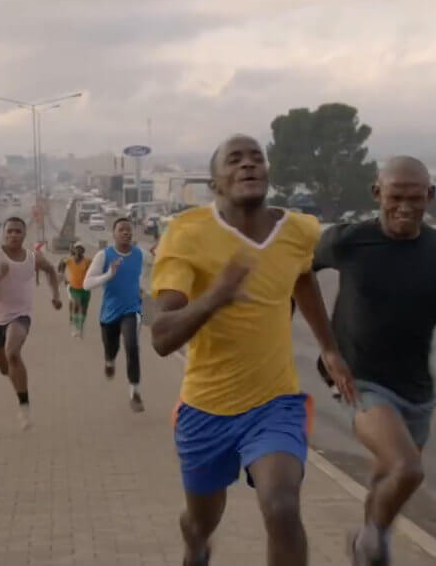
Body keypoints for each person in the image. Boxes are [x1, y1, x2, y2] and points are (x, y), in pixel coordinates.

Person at [149, 134, 356, 566]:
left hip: (274, 403)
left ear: (268, 172)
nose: (248, 165)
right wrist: (215, 296)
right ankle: (195, 543)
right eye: (235, 159)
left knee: (282, 507)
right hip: (205, 409)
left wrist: (330, 349)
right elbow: (161, 335)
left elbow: (303, 276)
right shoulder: (185, 233)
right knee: (200, 523)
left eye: (256, 158)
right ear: (215, 182)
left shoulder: (297, 230)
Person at [313, 156, 436, 566]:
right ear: (377, 193)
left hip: (417, 387)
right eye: (395, 196)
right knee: (407, 469)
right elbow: (295, 272)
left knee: (388, 474)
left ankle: (367, 544)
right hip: (359, 379)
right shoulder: (348, 241)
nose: (405, 207)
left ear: (430, 198)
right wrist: (328, 347)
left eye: (415, 198)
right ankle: (373, 540)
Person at [0, 216, 62, 430]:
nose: (13, 235)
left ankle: (24, 406)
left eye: (18, 232)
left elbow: (50, 270)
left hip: (21, 315)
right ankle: (18, 384)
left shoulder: (32, 257)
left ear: (24, 234)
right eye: (9, 231)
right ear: (4, 233)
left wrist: (55, 295)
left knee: (12, 352)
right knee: (4, 368)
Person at [84, 218, 145, 412]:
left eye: (129, 229)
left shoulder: (140, 254)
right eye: (121, 230)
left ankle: (134, 392)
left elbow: (154, 269)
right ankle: (109, 361)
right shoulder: (104, 255)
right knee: (112, 349)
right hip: (109, 313)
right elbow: (87, 284)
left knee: (132, 346)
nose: (126, 233)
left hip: (132, 310)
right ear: (114, 233)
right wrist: (108, 275)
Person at [62, 242, 92, 338]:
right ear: (74, 250)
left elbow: (95, 270)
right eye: (77, 248)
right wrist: (64, 279)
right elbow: (61, 266)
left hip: (85, 289)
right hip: (74, 288)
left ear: (83, 251)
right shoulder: (69, 260)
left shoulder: (88, 261)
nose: (78, 250)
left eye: (80, 249)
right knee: (76, 305)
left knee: (83, 310)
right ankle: (75, 327)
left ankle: (80, 328)